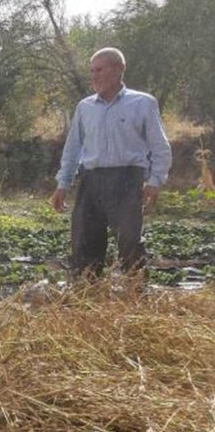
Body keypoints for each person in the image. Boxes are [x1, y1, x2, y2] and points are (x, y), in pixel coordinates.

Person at [50, 47, 171, 279]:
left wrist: (155, 181)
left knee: (130, 242)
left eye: (99, 70)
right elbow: (73, 149)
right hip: (91, 181)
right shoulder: (85, 107)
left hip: (127, 180)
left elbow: (160, 147)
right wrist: (63, 184)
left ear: (119, 69)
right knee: (84, 242)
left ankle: (135, 293)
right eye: (92, 71)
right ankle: (87, 293)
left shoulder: (143, 103)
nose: (94, 76)